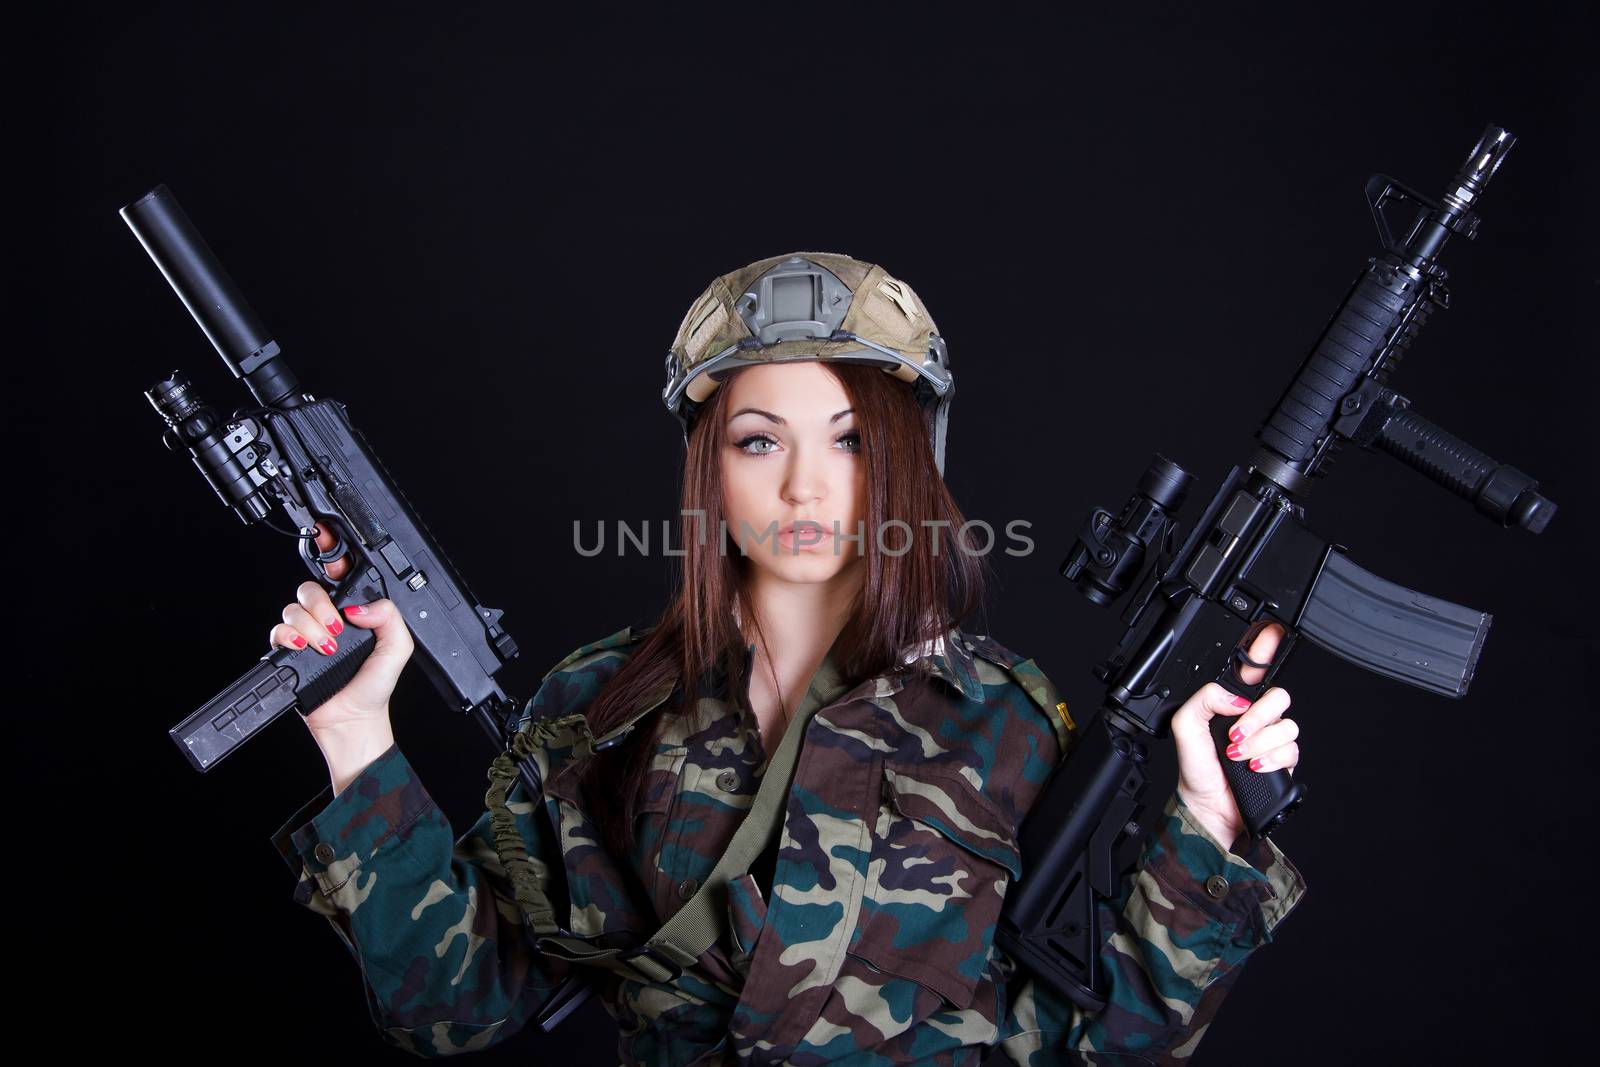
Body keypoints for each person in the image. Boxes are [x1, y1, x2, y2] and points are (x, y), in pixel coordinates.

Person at [266, 253, 1306, 1064]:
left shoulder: (1003, 721)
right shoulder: (597, 702)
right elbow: (450, 1008)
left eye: (850, 440)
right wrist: (355, 734)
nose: (806, 486)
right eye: (759, 438)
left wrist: (1209, 824)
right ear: (707, 465)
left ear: (909, 461)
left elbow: (1102, 1044)